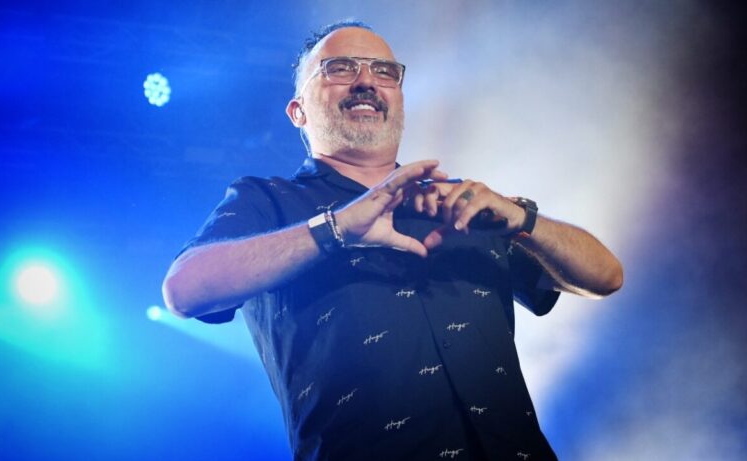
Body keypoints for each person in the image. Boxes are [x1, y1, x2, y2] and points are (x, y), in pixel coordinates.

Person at [162, 20, 623, 461]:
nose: (366, 81)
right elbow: (184, 291)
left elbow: (606, 277)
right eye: (340, 68)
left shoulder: (461, 204)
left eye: (384, 71)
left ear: (399, 101)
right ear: (298, 111)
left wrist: (522, 219)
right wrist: (335, 229)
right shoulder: (269, 201)